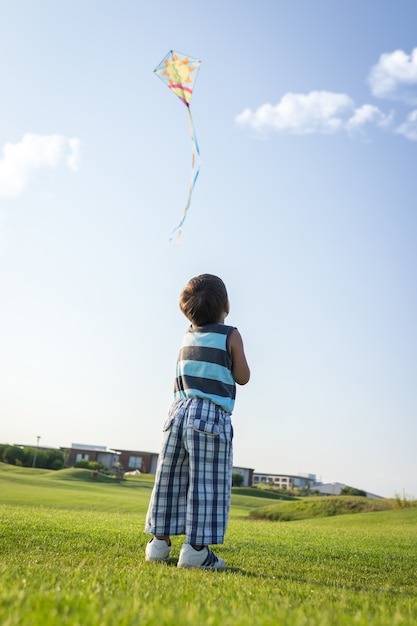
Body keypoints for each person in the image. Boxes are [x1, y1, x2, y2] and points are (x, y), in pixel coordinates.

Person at [145, 274, 250, 570]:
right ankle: (196, 551)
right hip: (210, 416)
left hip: (177, 413)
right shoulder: (231, 335)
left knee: (169, 480)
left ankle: (158, 544)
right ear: (226, 305)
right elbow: (242, 377)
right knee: (207, 484)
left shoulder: (187, 335)